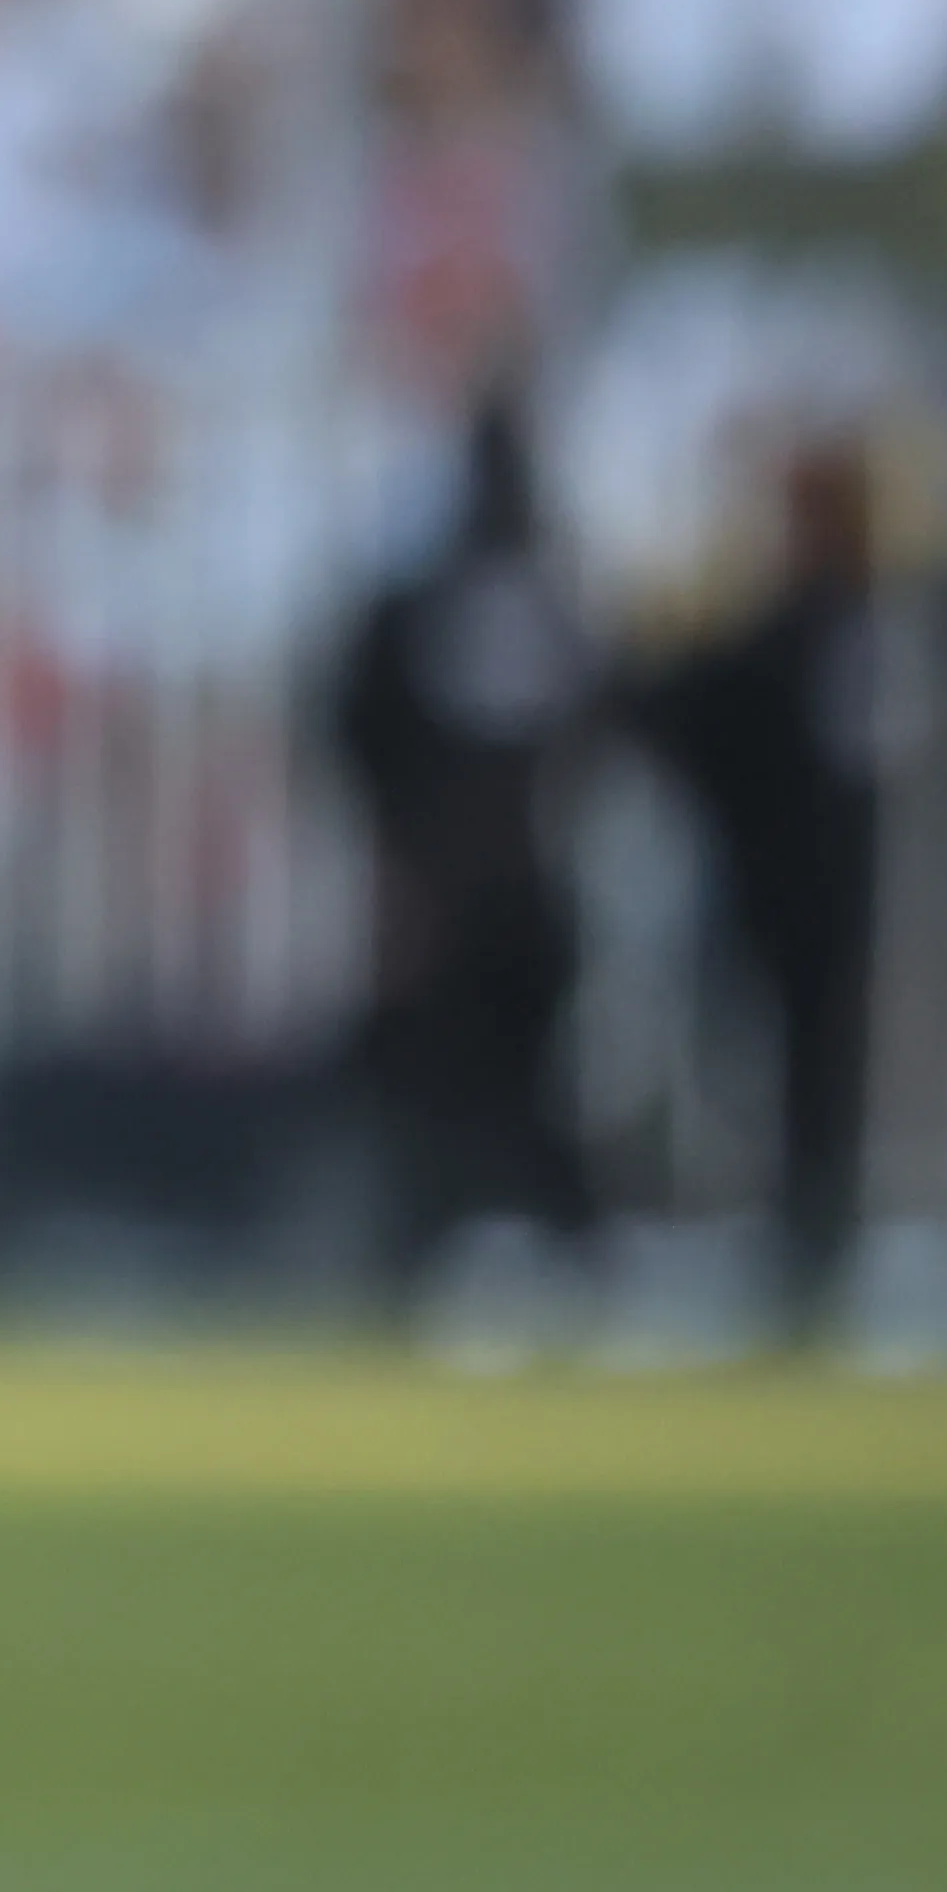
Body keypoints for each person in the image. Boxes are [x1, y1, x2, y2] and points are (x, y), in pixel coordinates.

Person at [326, 397, 605, 1323]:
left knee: (513, 1067)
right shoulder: (519, 595)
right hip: (480, 872)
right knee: (462, 1070)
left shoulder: (492, 593)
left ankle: (515, 1233)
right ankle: (459, 1235)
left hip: (494, 872)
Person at [636, 440, 911, 1348]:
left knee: (793, 1071)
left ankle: (799, 1236)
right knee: (803, 1070)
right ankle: (800, 1231)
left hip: (795, 887)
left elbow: (691, 714)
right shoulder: (857, 624)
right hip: (823, 883)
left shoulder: (817, 625)